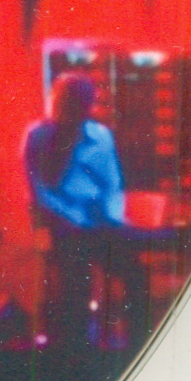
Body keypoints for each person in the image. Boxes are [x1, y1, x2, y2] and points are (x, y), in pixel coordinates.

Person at [24, 73, 125, 352]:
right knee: (74, 266)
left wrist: (112, 217)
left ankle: (133, 342)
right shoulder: (39, 136)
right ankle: (74, 344)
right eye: (72, 102)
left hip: (95, 225)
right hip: (61, 226)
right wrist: (74, 218)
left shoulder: (98, 136)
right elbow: (40, 192)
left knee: (134, 269)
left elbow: (111, 185)